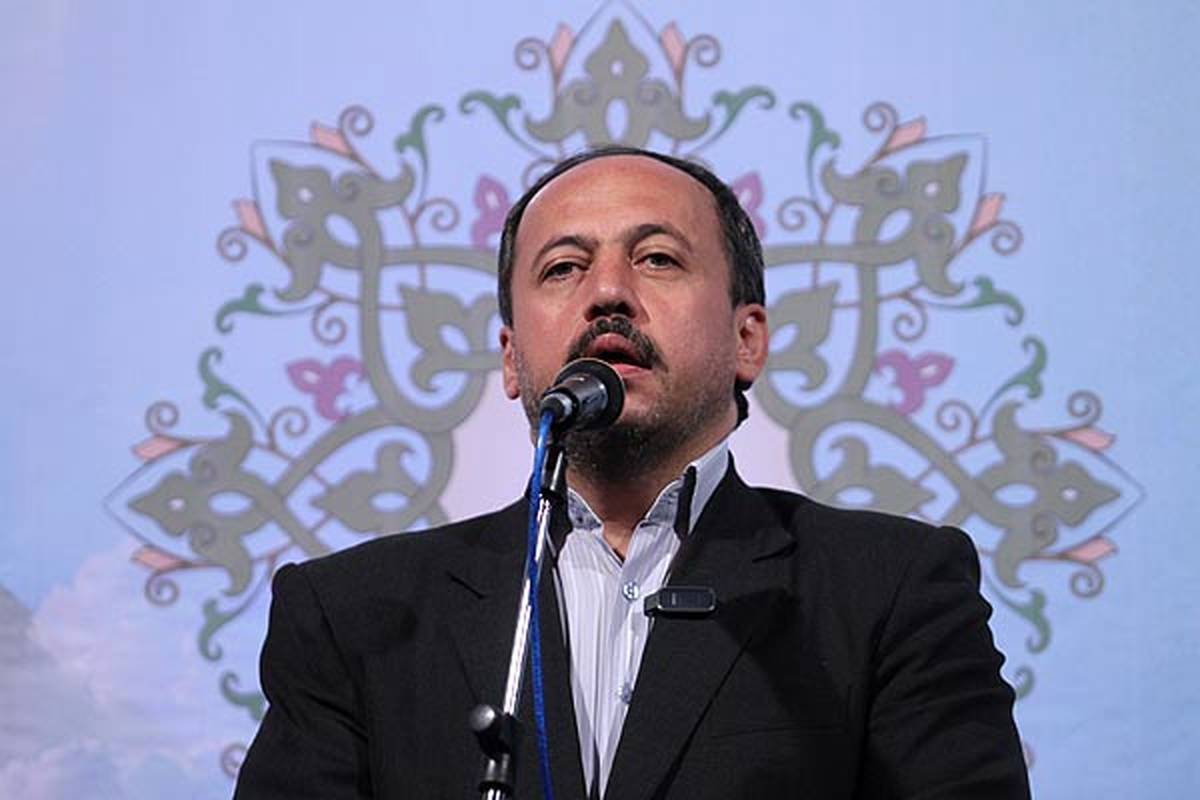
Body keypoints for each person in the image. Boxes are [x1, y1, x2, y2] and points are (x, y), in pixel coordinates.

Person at [234, 146, 1031, 799]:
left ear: (748, 340)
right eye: (562, 269)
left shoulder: (891, 590)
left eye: (657, 259)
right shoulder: (353, 616)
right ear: (510, 358)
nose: (608, 293)